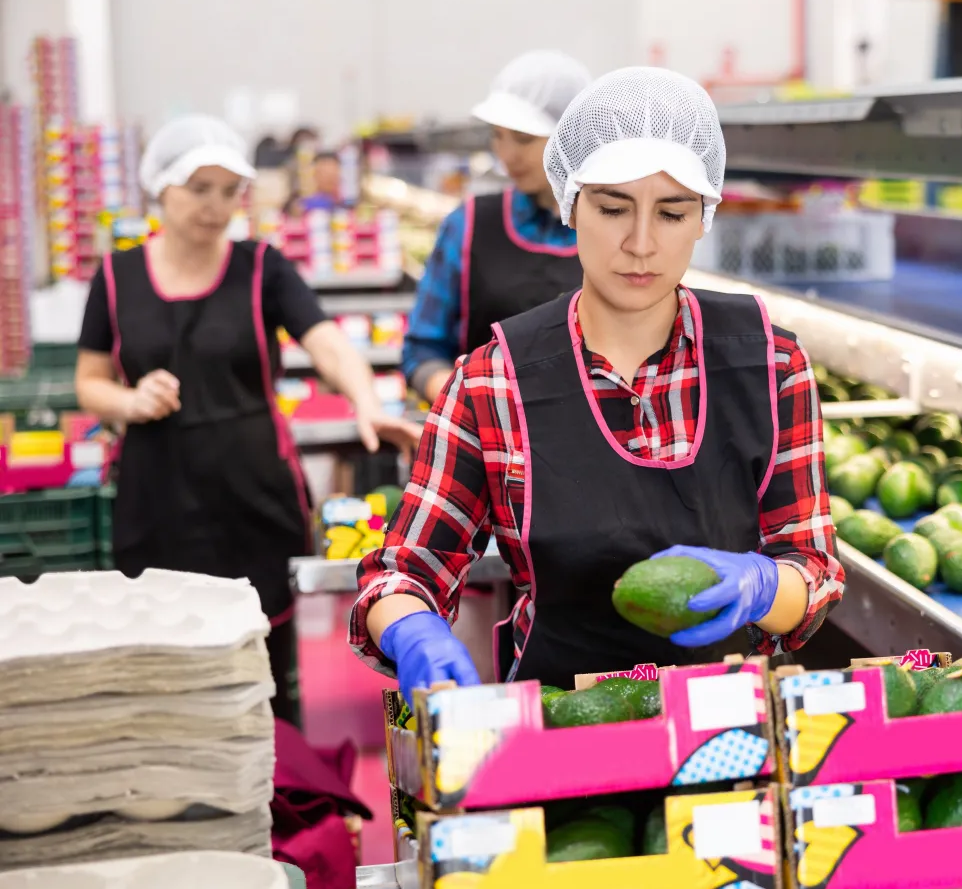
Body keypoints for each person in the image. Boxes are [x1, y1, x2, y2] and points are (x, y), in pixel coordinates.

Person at [352, 68, 845, 693]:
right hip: (560, 740)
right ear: (570, 205)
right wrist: (411, 627)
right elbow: (402, 573)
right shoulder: (492, 383)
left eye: (671, 213)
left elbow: (814, 570)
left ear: (705, 218)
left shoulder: (771, 368)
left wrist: (766, 586)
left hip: (723, 743)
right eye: (613, 208)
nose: (640, 243)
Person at [76, 115, 420, 725]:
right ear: (160, 187)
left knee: (265, 672)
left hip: (254, 496)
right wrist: (129, 402)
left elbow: (328, 344)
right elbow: (90, 382)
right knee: (168, 669)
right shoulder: (115, 277)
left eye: (229, 191)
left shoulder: (262, 267)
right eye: (199, 188)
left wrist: (367, 401)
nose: (216, 206)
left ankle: (278, 801)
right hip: (157, 499)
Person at [401, 49, 592, 404]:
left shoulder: (610, 232)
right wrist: (470, 407)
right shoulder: (469, 225)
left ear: (573, 139)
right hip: (486, 445)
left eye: (523, 139)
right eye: (497, 136)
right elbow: (422, 349)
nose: (507, 154)